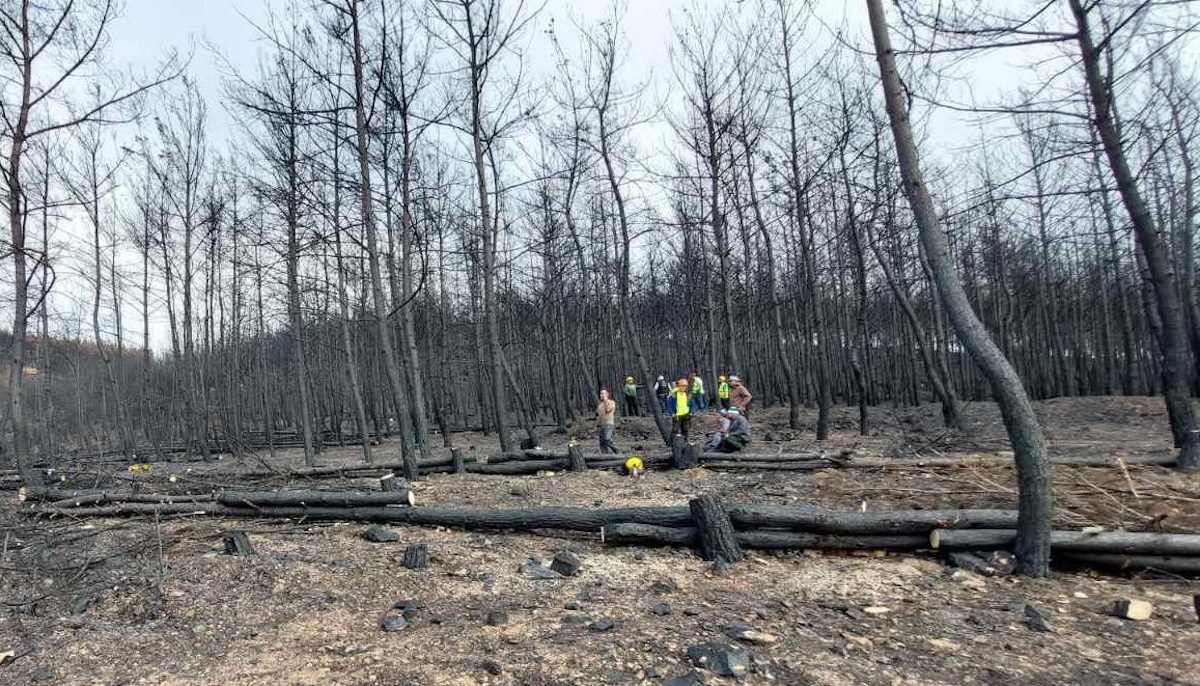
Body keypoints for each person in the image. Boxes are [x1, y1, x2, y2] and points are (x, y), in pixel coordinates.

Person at [597, 389, 618, 454]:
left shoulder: (611, 402)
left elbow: (608, 410)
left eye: (603, 393)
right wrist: (597, 424)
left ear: (607, 394)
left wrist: (605, 401)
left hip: (609, 423)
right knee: (602, 442)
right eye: (601, 394)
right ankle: (605, 455)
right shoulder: (600, 405)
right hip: (601, 425)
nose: (602, 395)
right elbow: (599, 415)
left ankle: (617, 450)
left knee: (607, 439)